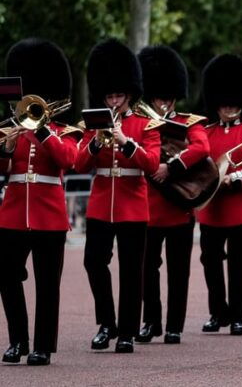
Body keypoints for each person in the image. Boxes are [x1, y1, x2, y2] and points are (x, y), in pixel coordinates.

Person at [75, 39, 162, 353]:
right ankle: (106, 323)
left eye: (118, 96)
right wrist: (97, 143)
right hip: (101, 203)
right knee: (93, 262)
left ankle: (126, 331)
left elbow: (151, 163)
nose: (113, 101)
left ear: (129, 95)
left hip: (132, 204)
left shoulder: (145, 125)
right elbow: (78, 162)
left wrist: (125, 141)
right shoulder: (93, 125)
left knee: (131, 270)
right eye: (109, 95)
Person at [0, 39, 82, 366]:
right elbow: (5, 169)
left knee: (48, 285)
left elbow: (69, 159)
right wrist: (5, 147)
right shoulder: (10, 129)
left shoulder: (66, 131)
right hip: (13, 213)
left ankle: (42, 346)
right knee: (6, 273)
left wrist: (44, 131)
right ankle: (18, 340)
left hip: (49, 216)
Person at [135, 45, 210, 345]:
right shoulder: (142, 124)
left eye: (167, 98)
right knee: (147, 273)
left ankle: (174, 325)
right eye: (158, 98)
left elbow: (202, 148)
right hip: (149, 210)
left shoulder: (189, 122)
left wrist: (172, 166)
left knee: (178, 273)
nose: (163, 103)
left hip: (178, 207)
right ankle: (150, 321)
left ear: (174, 97)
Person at [198, 54, 242, 336]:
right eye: (224, 103)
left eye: (234, 103)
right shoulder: (205, 133)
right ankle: (217, 312)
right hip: (213, 209)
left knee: (240, 265)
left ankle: (238, 316)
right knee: (210, 262)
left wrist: (234, 179)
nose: (229, 108)